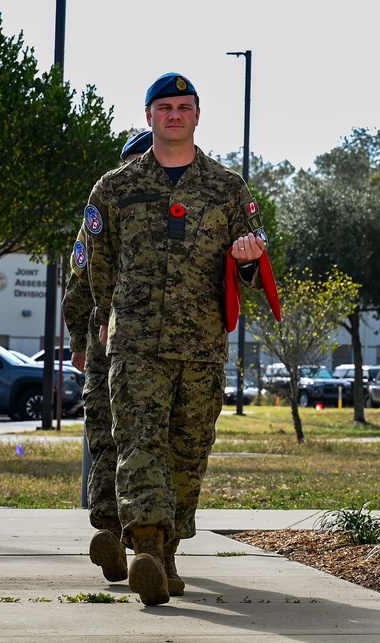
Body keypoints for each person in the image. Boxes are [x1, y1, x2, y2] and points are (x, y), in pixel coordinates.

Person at [82, 73, 269, 606]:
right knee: (140, 444)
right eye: (164, 107)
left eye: (184, 106)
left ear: (197, 115)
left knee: (188, 455)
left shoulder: (228, 189)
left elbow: (253, 268)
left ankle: (165, 554)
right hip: (135, 343)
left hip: (201, 344)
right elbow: (98, 262)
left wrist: (248, 262)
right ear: (148, 117)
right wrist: (101, 320)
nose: (174, 115)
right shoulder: (113, 188)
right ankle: (143, 543)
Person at [62, 130, 153, 588]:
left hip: (149, 348)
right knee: (106, 438)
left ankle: (140, 541)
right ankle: (112, 536)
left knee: (139, 439)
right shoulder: (103, 211)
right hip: (106, 348)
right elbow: (80, 277)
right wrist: (80, 340)